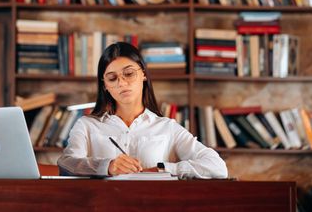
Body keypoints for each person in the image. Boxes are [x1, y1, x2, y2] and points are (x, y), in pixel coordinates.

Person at [57, 42, 228, 179]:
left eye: (129, 74)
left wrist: (163, 169)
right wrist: (108, 166)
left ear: (144, 74)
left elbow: (217, 167)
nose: (121, 83)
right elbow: (66, 164)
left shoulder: (167, 127)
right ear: (105, 86)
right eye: (112, 78)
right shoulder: (87, 125)